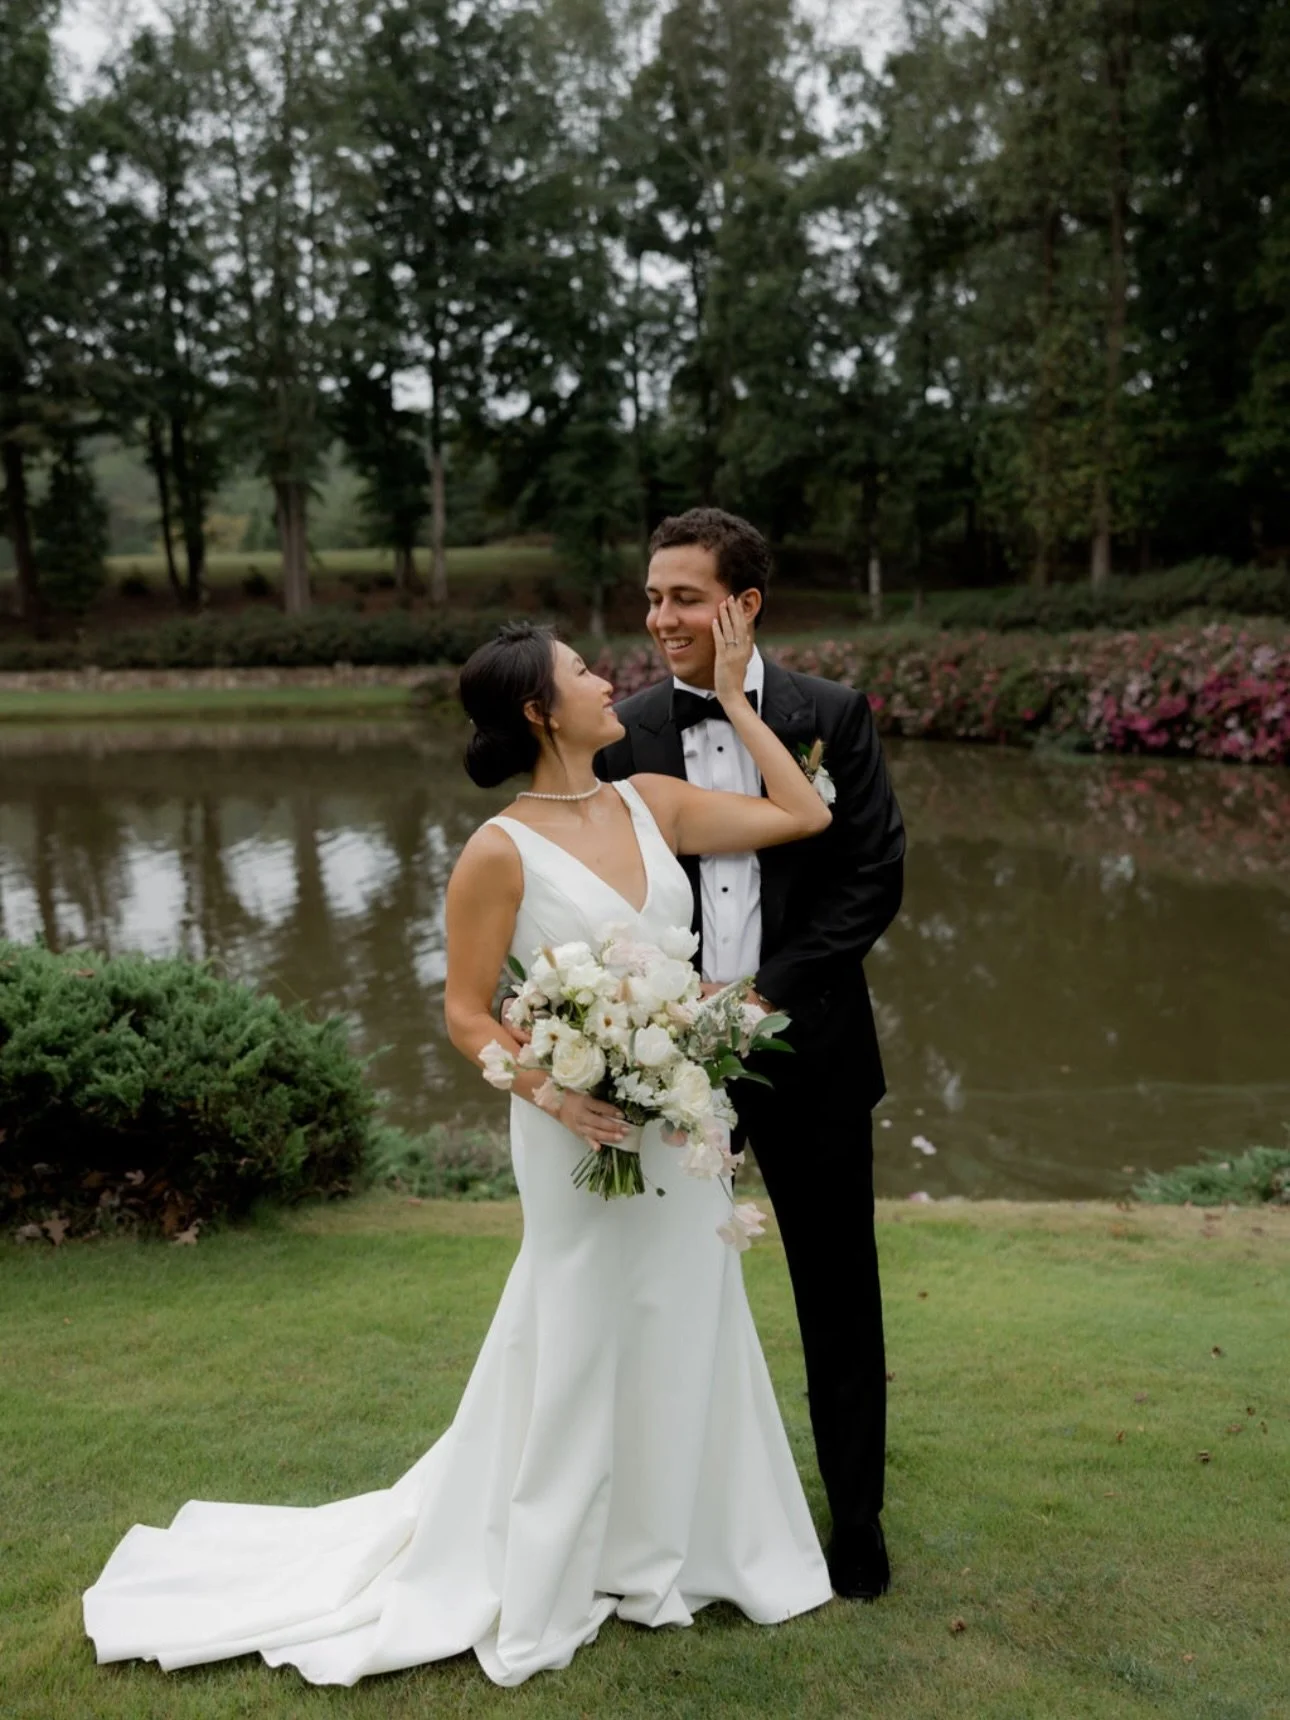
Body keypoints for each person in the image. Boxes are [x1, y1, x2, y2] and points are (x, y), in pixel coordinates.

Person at [82, 598, 838, 1689]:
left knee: (689, 1317)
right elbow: (468, 1014)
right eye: (582, 671)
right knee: (578, 1330)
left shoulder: (655, 801)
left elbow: (805, 813)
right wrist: (557, 1093)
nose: (606, 679)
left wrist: (731, 695)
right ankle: (552, 1558)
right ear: (541, 710)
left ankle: (678, 1546)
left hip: (680, 1121)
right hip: (573, 1129)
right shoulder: (498, 850)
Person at [596, 507, 905, 1601]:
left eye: (684, 597)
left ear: (745, 605)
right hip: (667, 1061)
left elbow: (872, 878)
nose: (660, 617)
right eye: (652, 597)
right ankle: (662, 1526)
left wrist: (764, 994)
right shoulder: (622, 732)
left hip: (809, 1050)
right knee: (657, 1289)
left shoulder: (833, 715)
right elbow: (603, 890)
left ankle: (857, 1524)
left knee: (838, 1292)